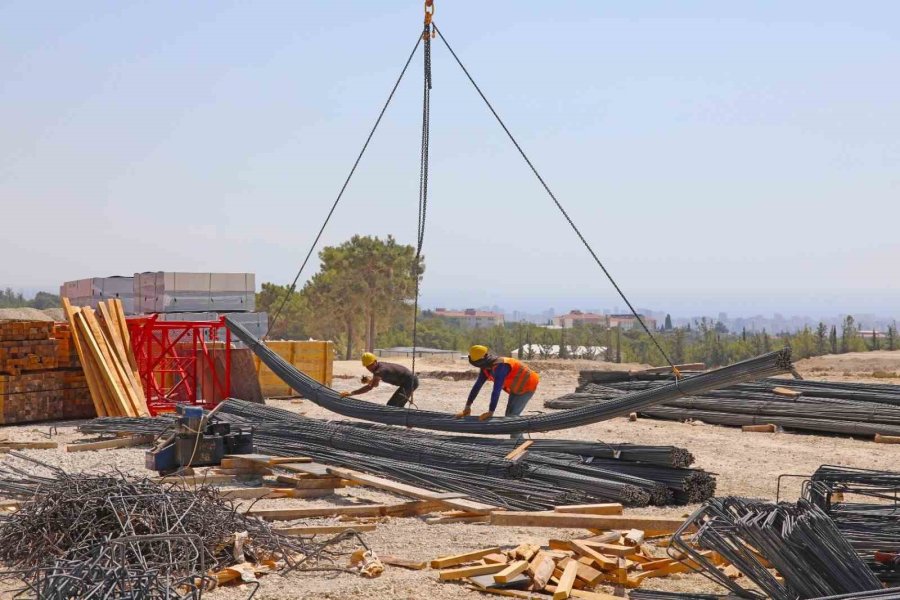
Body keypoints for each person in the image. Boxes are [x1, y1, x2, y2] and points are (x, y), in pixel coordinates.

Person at [455, 345, 539, 438]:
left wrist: (491, 411)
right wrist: (467, 407)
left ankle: (518, 443)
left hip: (528, 384)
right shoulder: (486, 367)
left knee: (512, 417)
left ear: (481, 361)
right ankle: (516, 441)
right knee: (510, 416)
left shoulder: (501, 366)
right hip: (516, 386)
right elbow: (477, 386)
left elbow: (496, 390)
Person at [340, 352, 419, 408]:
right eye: (367, 366)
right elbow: (375, 384)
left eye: (371, 365)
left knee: (391, 406)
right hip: (409, 381)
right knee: (397, 405)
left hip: (410, 382)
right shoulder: (379, 367)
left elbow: (370, 387)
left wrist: (352, 393)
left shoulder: (380, 371)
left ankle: (395, 423)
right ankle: (407, 423)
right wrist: (369, 381)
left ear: (375, 361)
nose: (370, 368)